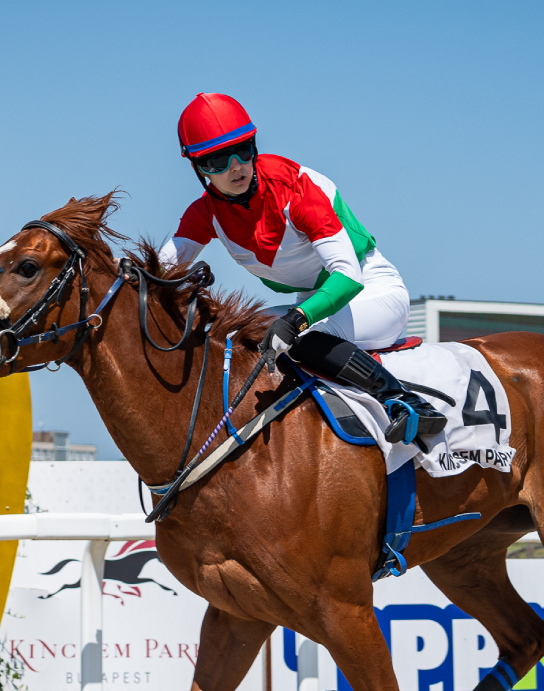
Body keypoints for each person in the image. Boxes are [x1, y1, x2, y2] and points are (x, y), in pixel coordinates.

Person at [160, 92, 445, 443]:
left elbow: (348, 276)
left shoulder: (294, 187)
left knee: (302, 337)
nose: (235, 166)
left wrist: (298, 319)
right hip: (312, 301)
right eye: (217, 160)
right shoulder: (205, 213)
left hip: (371, 291)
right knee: (232, 337)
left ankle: (405, 401)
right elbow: (159, 270)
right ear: (198, 168)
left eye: (243, 151)